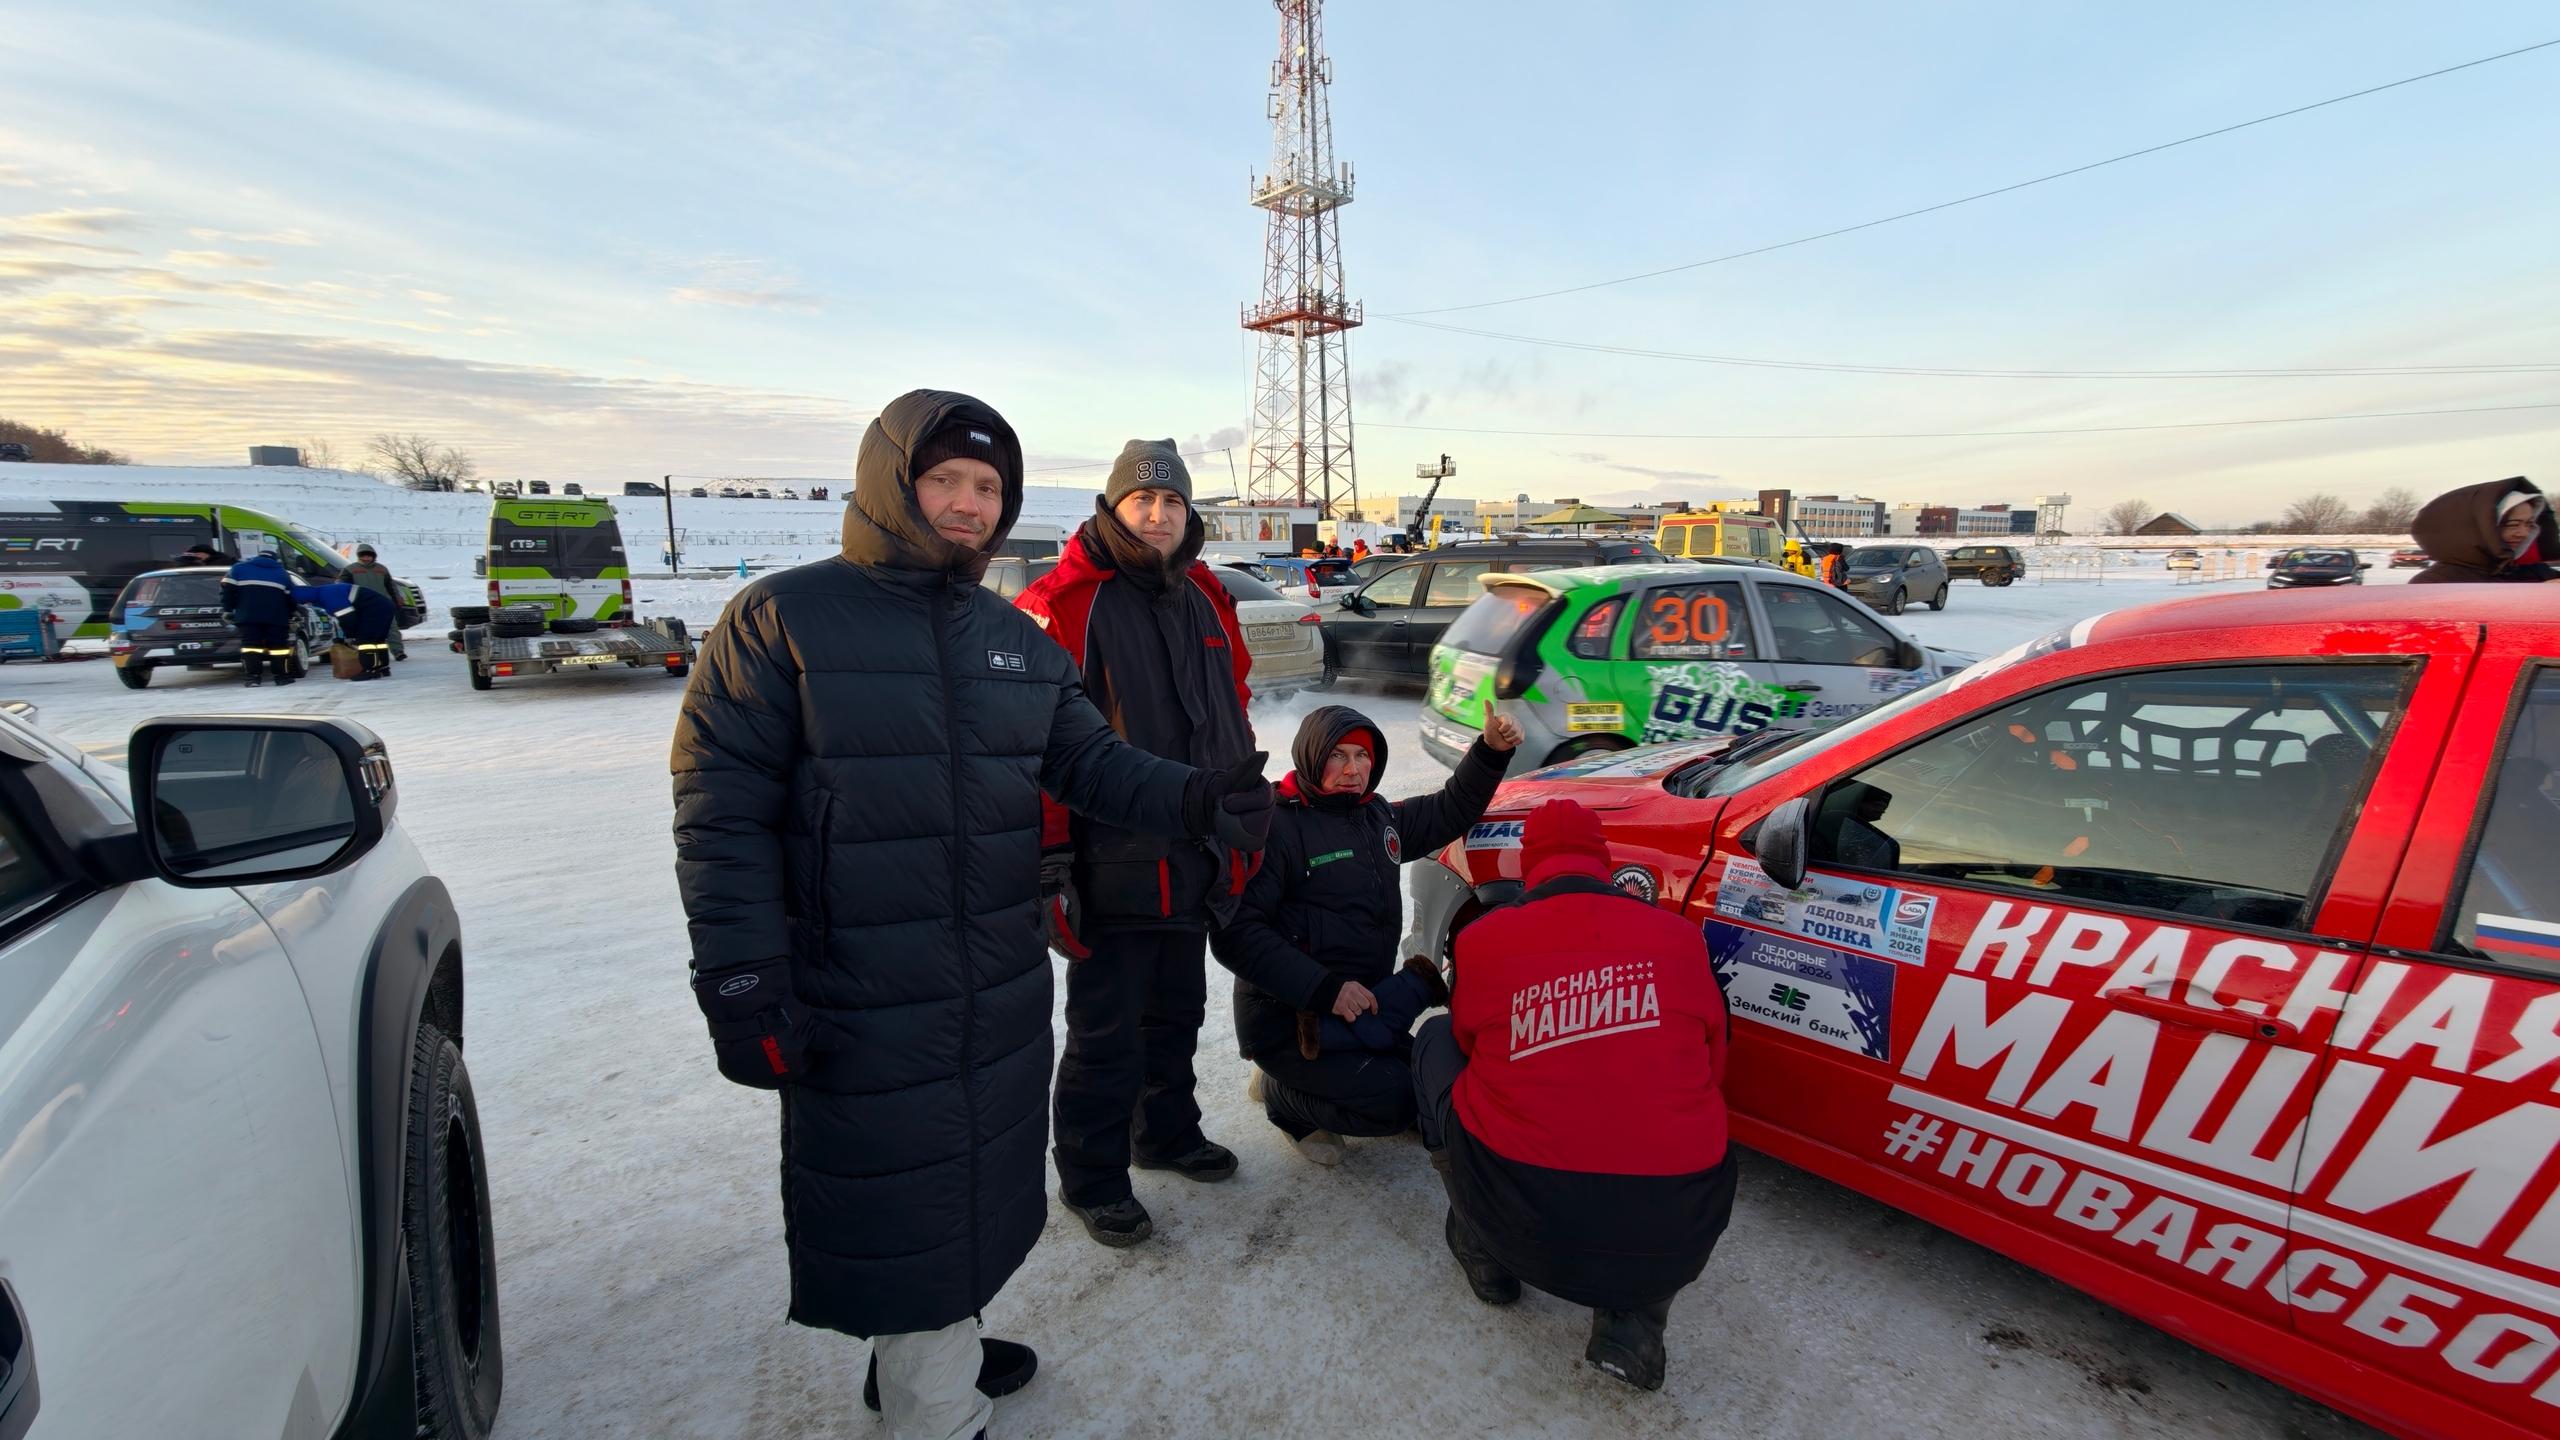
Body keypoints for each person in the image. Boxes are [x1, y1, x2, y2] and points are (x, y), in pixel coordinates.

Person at [671, 391, 1273, 1440]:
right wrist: (739, 979)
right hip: (859, 978)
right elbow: (720, 818)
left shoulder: (1008, 636)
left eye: (986, 487)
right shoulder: (783, 618)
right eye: (942, 479)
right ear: (889, 484)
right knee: (899, 1179)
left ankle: (926, 1347)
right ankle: (934, 1410)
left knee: (973, 1180)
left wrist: (1189, 797)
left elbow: (1085, 760)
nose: (965, 502)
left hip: (993, 970)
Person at [1016, 440, 1260, 1249]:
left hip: (1197, 850)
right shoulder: (1064, 603)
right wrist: (1051, 864)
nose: (1158, 516)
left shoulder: (1207, 597)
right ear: (1113, 507)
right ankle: (1092, 1176)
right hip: (1108, 862)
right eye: (1141, 502)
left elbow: (1234, 707)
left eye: (1172, 503)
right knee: (1106, 1032)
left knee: (1176, 1013)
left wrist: (1244, 818)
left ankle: (1166, 1133)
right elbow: (1034, 751)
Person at [1413, 798, 1736, 1392]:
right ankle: (1634, 1321)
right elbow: (1714, 1068)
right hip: (1676, 1235)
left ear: (1528, 864)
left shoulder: (1485, 939)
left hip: (1516, 1224)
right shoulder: (1681, 938)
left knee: (1434, 1037)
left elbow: (1465, 1040)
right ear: (1604, 861)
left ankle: (1481, 1250)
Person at [1213, 704, 1517, 1165]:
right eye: (1338, 755)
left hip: (1361, 1011)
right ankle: (1282, 1095)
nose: (1353, 770)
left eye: (1363, 756)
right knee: (1395, 1105)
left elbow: (1448, 810)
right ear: (1313, 757)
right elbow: (1234, 933)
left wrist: (1491, 752)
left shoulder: (1375, 817)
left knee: (1432, 1080)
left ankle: (1308, 1080)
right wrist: (1325, 990)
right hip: (1290, 1020)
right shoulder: (1275, 827)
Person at [2410, 477, 2557, 584]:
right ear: (2477, 528)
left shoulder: (2538, 572)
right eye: (2512, 524)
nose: (2524, 533)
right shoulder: (2435, 584)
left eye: (2529, 524)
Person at [220, 550, 301, 686]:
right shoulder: (282, 572)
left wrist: (228, 610)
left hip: (248, 616)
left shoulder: (239, 568)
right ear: (276, 560)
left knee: (251, 647)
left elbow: (227, 591)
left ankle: (253, 678)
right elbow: (290, 597)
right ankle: (282, 677)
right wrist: (292, 613)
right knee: (279, 647)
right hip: (277, 617)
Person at [291, 580, 399, 680]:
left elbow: (348, 619)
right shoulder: (323, 592)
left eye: (304, 603)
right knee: (378, 640)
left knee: (365, 641)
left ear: (306, 599)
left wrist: (349, 637)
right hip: (383, 605)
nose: (306, 605)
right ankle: (383, 668)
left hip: (374, 607)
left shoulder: (328, 596)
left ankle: (369, 670)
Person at [340, 544, 408, 660]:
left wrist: (397, 602)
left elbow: (391, 587)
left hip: (385, 604)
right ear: (359, 557)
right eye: (364, 556)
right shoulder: (350, 569)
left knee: (392, 629)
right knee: (364, 631)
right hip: (363, 606)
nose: (366, 558)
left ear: (373, 556)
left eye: (369, 556)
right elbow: (342, 586)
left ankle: (398, 652)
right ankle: (362, 654)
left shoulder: (382, 569)